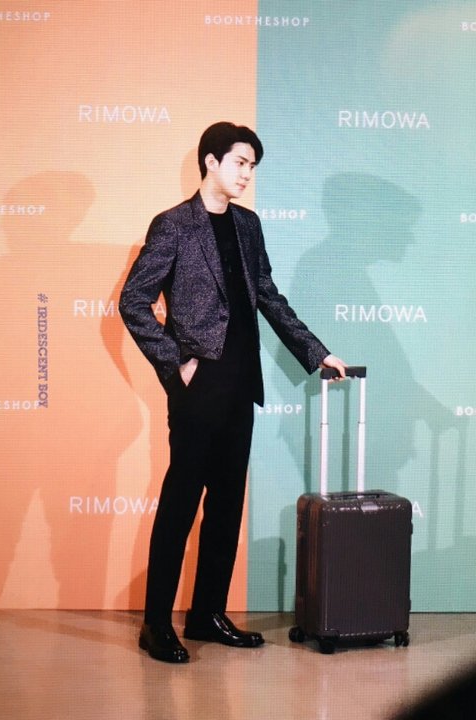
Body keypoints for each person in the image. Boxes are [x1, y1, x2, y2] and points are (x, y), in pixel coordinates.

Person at [119, 121, 347, 663]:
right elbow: (133, 301)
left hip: (242, 382)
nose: (247, 175)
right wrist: (177, 363)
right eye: (240, 163)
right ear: (211, 161)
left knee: (225, 506)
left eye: (252, 166)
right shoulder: (174, 225)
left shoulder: (248, 225)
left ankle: (206, 614)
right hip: (199, 386)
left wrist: (316, 351)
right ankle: (156, 624)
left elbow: (267, 295)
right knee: (180, 505)